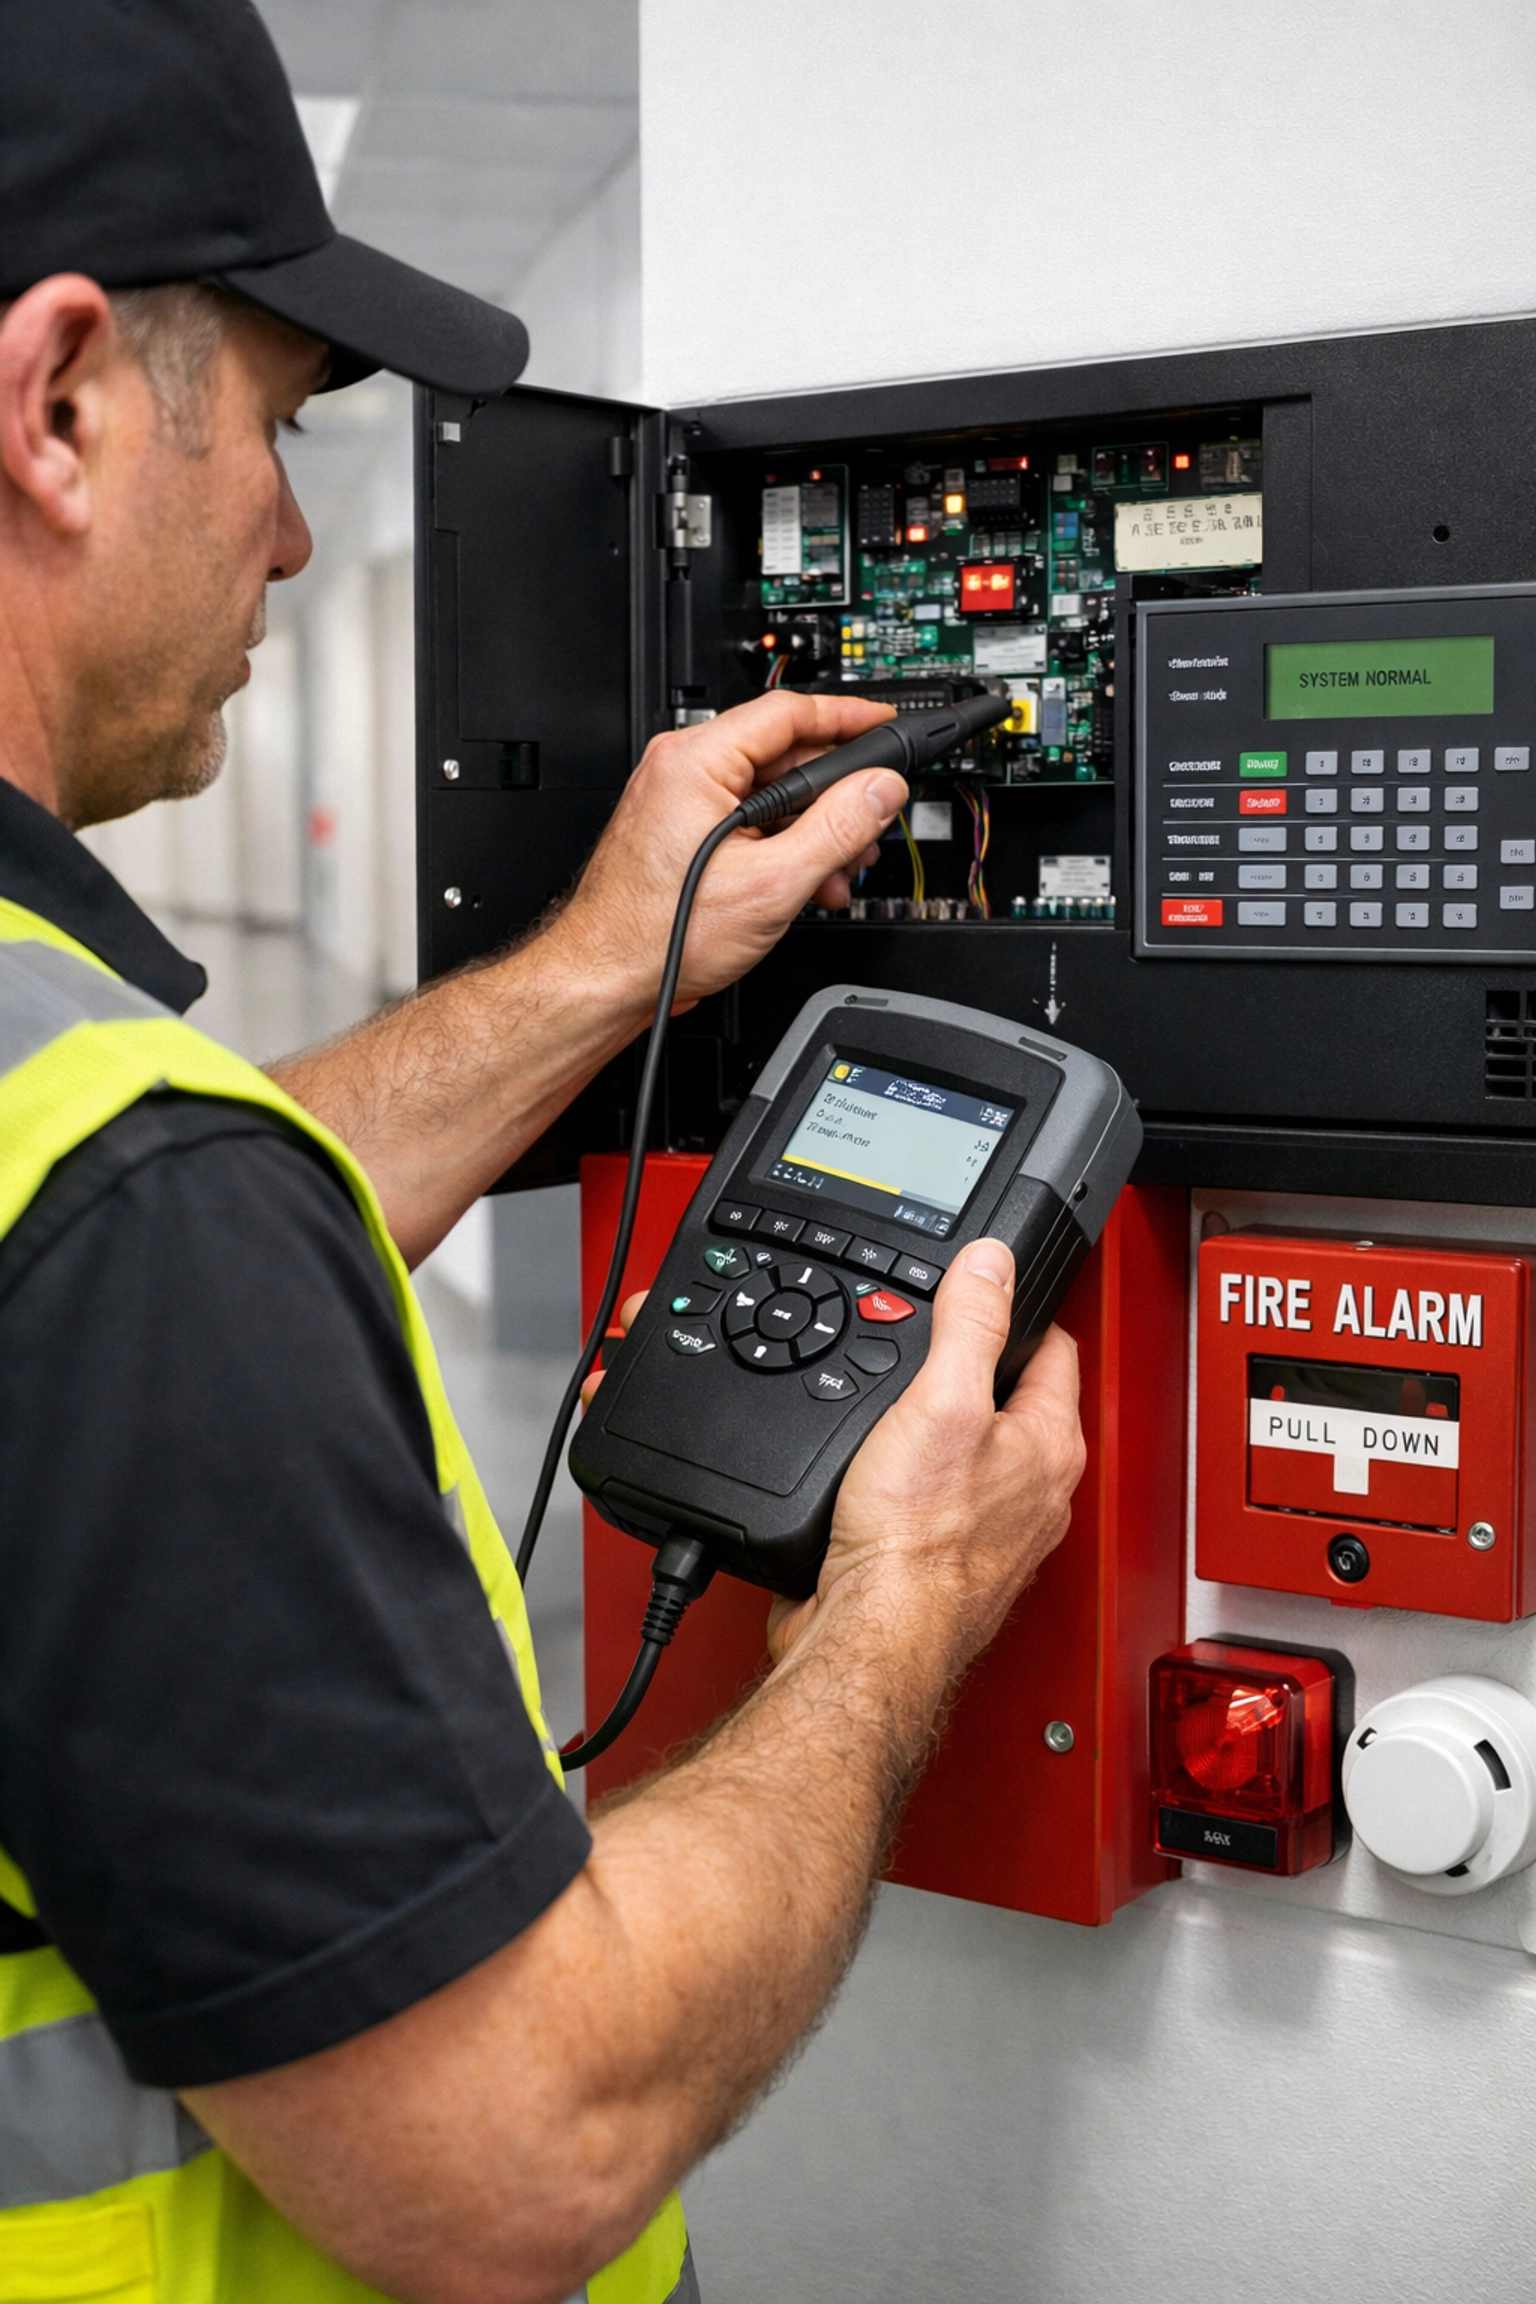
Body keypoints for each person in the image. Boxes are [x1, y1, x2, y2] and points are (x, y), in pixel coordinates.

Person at [0, 6, 1087, 2301]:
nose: (297, 537)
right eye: (284, 433)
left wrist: (612, 965)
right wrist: (901, 1614)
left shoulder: (88, 1167)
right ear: (62, 404)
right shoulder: (119, 1208)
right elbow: (512, 2151)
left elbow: (111, 1273)